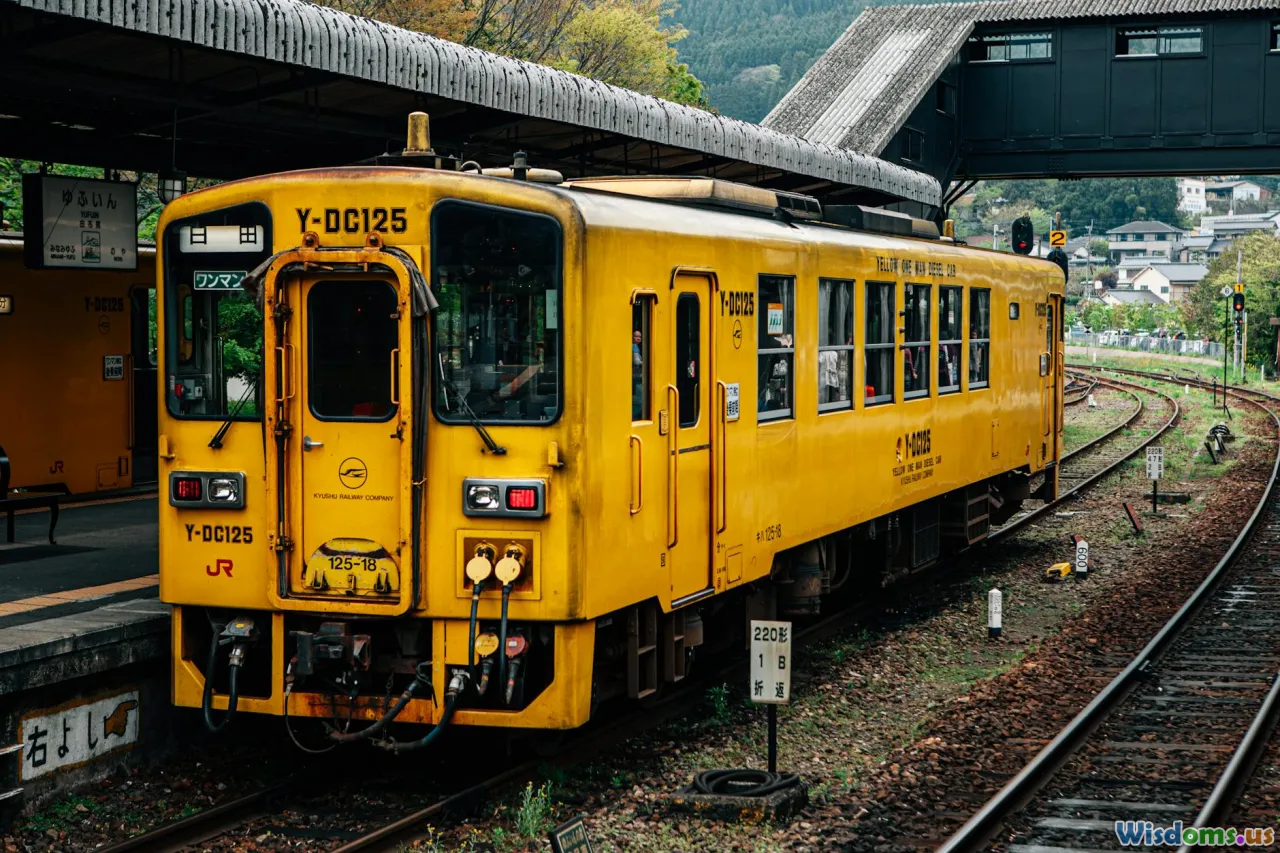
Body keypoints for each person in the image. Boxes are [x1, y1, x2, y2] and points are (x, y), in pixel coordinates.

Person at [632, 329, 644, 420]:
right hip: (636, 379)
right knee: (638, 402)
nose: (638, 338)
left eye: (639, 337)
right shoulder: (634, 347)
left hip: (634, 377)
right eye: (636, 337)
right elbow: (636, 362)